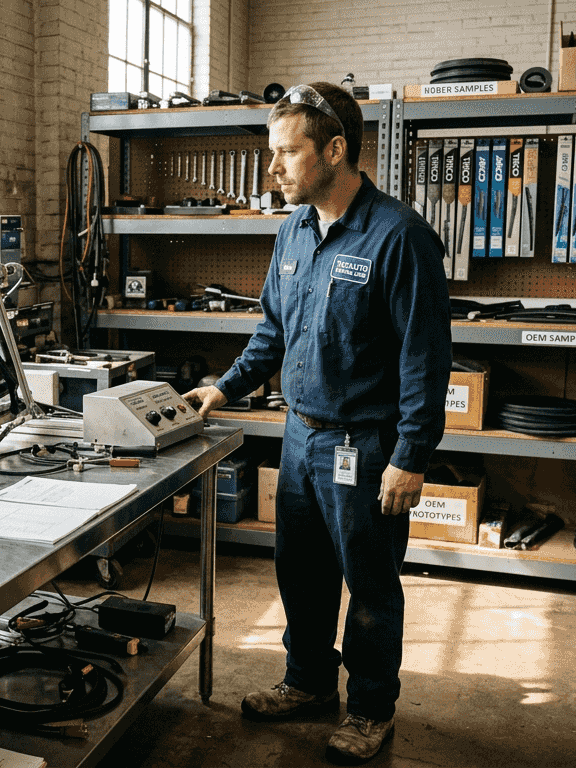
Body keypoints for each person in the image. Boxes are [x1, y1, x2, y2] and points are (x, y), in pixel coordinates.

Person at [183, 82, 451, 763]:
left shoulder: (400, 236)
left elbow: (426, 358)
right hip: (301, 435)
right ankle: (307, 682)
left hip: (366, 442)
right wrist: (225, 387)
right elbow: (272, 333)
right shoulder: (293, 231)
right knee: (298, 572)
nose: (273, 169)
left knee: (368, 582)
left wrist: (412, 454)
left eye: (288, 153)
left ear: (336, 149)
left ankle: (369, 707)